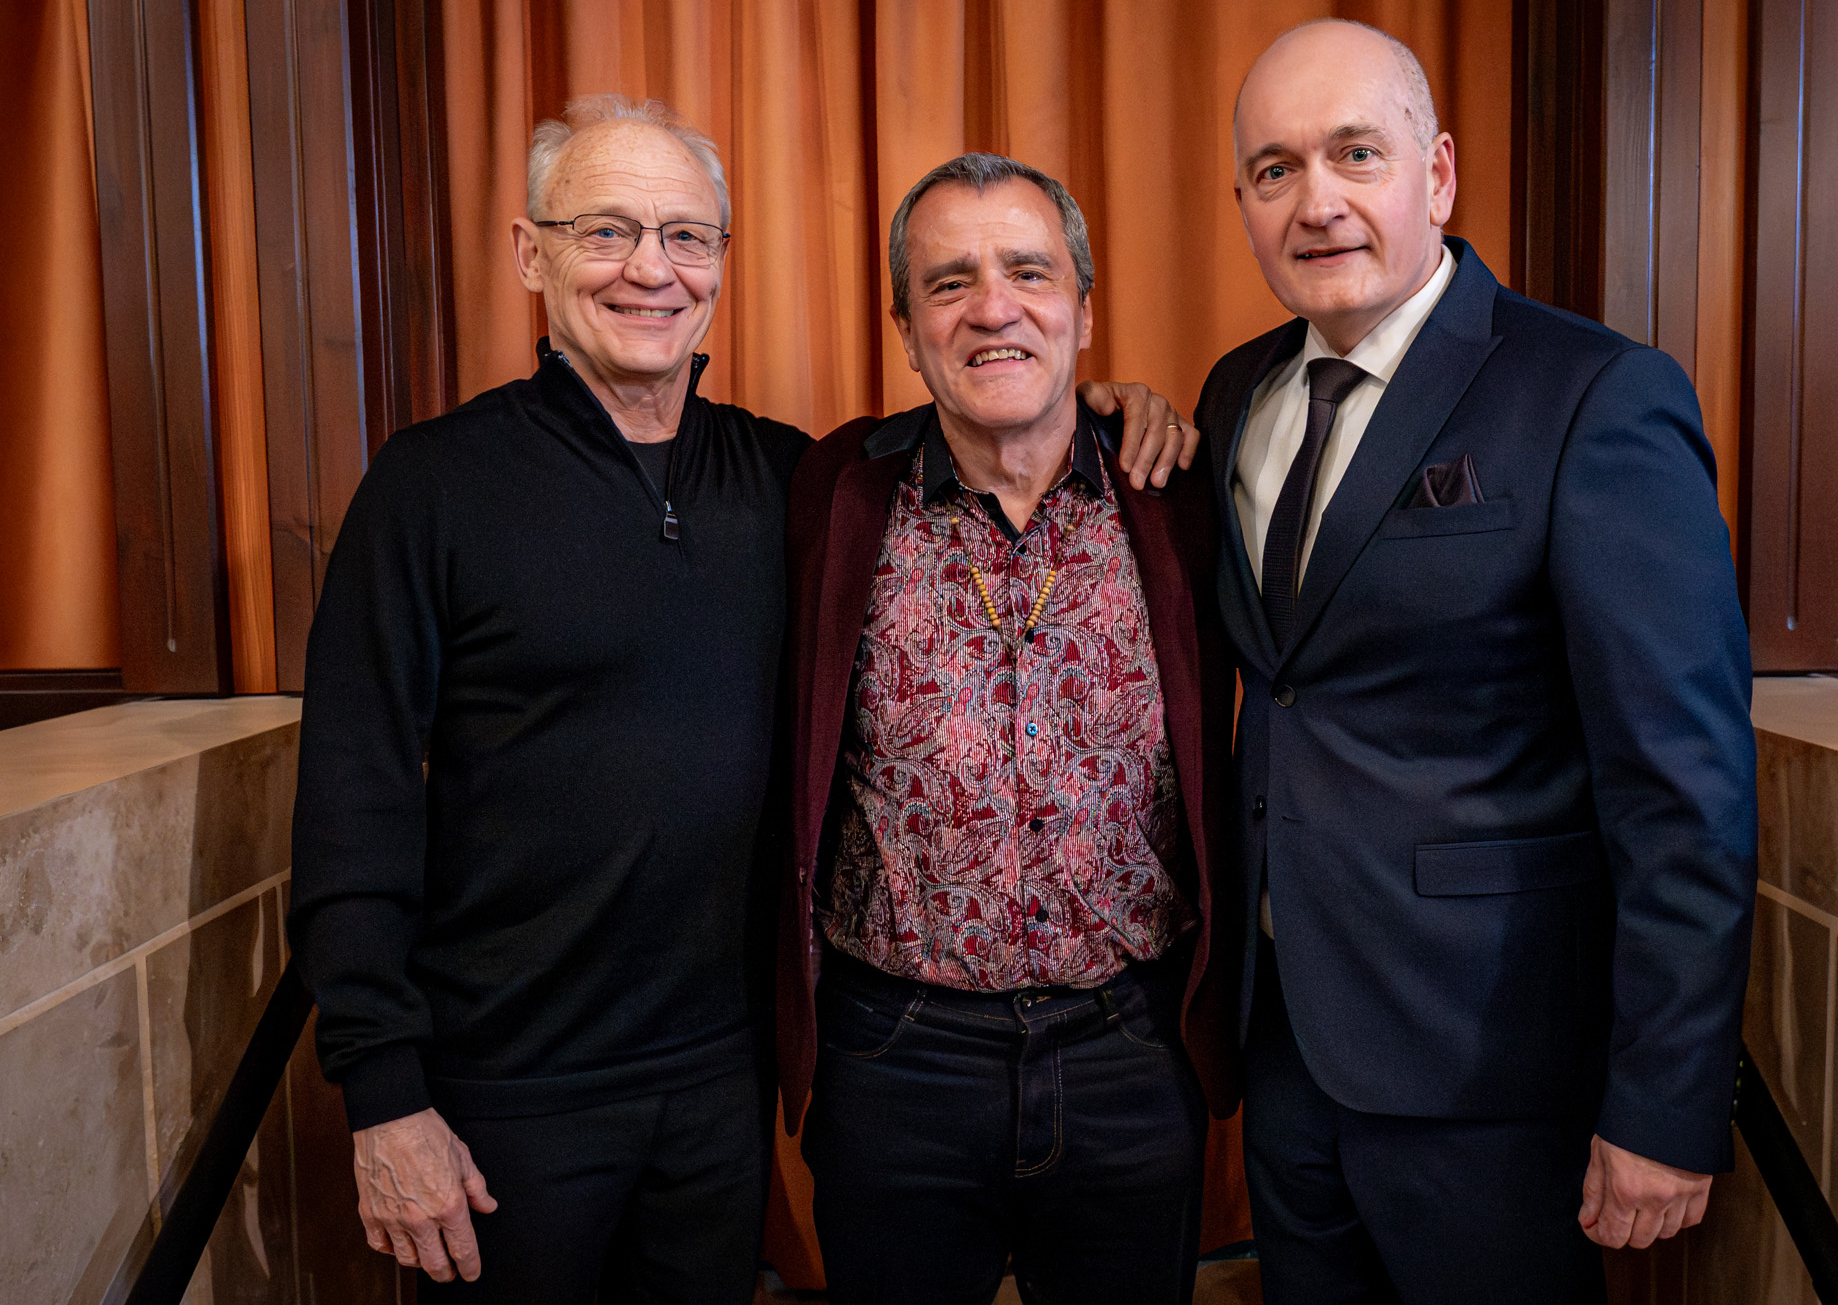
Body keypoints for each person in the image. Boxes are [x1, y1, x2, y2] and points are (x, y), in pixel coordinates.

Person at [288, 98, 1191, 1304]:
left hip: (724, 1080)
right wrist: (383, 1090)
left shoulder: (788, 479)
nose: (650, 270)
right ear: (529, 253)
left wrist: (1126, 402)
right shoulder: (432, 488)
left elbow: (1010, 403)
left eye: (686, 236)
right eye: (605, 232)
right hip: (508, 1087)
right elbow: (352, 795)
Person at [1195, 21, 1758, 1301]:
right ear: (1241, 202)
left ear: (1436, 175)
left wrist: (1664, 1103)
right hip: (1286, 1049)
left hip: (1495, 1074)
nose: (1317, 200)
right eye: (1275, 170)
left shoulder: (1592, 395)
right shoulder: (1235, 396)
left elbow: (1683, 788)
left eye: (1355, 153)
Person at [776, 153, 1241, 1305]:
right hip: (895, 1057)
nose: (992, 307)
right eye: (948, 283)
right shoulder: (830, 493)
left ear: (1082, 305)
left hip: (1129, 1047)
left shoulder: (1178, 492)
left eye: (1028, 272)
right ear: (903, 324)